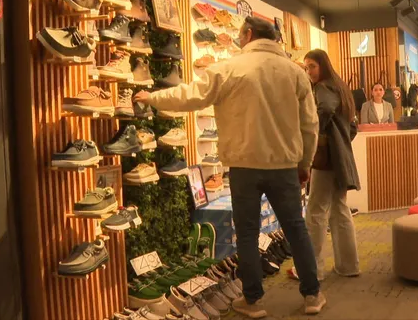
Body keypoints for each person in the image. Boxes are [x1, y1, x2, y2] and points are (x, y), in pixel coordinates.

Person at [133, 16, 326, 317]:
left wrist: (152, 97)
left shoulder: (229, 68)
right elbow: (310, 125)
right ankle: (312, 296)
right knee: (296, 229)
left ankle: (253, 301)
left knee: (247, 234)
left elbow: (190, 95)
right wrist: (304, 164)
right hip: (284, 165)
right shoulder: (295, 72)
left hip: (243, 166)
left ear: (247, 35)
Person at [291, 49, 360, 281]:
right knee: (339, 210)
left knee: (316, 212)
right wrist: (339, 142)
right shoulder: (340, 87)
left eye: (312, 66)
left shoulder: (323, 87)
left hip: (325, 158)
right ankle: (348, 265)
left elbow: (326, 110)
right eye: (306, 67)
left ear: (323, 66)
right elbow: (352, 128)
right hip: (339, 158)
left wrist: (313, 132)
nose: (309, 71)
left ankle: (312, 271)